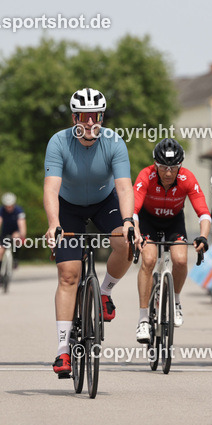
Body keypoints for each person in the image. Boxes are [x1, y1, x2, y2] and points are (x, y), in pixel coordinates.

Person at [44, 87, 139, 378]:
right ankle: (63, 350)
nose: (89, 123)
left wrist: (128, 221)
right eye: (84, 116)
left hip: (104, 201)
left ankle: (105, 291)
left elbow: (124, 187)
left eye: (94, 116)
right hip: (68, 207)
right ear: (74, 118)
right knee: (69, 274)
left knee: (125, 242)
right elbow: (51, 187)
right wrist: (53, 223)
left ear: (101, 117)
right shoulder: (58, 142)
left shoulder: (114, 142)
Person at [132, 138, 210, 343]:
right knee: (148, 260)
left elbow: (203, 212)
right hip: (149, 221)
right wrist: (136, 233)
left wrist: (203, 235)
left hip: (174, 222)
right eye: (163, 167)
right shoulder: (145, 176)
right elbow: (133, 210)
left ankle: (175, 301)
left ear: (180, 166)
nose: (168, 173)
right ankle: (142, 320)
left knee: (181, 260)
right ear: (155, 165)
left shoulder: (187, 178)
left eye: (173, 168)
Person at [0, 193, 25, 282]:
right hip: (4, 233)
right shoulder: (1, 210)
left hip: (15, 232)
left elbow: (22, 224)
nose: (8, 208)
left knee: (16, 239)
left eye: (10, 206)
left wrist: (21, 234)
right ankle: (0, 275)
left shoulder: (19, 210)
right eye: (7, 206)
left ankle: (16, 258)